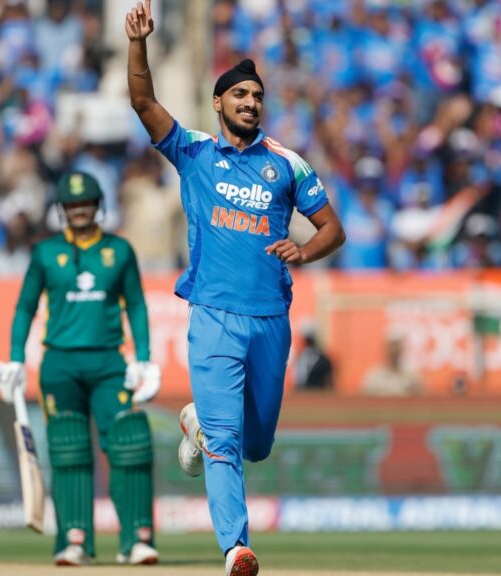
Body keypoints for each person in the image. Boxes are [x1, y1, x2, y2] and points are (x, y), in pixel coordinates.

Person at [124, 2, 346, 573]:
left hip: (271, 317)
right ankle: (235, 547)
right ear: (218, 102)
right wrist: (138, 44)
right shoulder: (195, 152)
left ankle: (198, 424)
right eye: (239, 94)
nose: (250, 102)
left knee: (256, 444)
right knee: (226, 443)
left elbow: (333, 230)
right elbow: (144, 103)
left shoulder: (287, 164)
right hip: (214, 315)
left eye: (257, 96)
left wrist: (304, 250)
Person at [0, 171, 162, 567]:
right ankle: (75, 541)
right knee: (69, 451)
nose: (79, 210)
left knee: (130, 446)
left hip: (108, 362)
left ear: (98, 205)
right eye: (71, 204)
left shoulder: (119, 250)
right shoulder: (45, 253)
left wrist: (143, 358)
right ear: (61, 210)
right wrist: (15, 358)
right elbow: (25, 307)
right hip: (60, 363)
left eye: (85, 203)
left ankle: (136, 539)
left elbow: (136, 305)